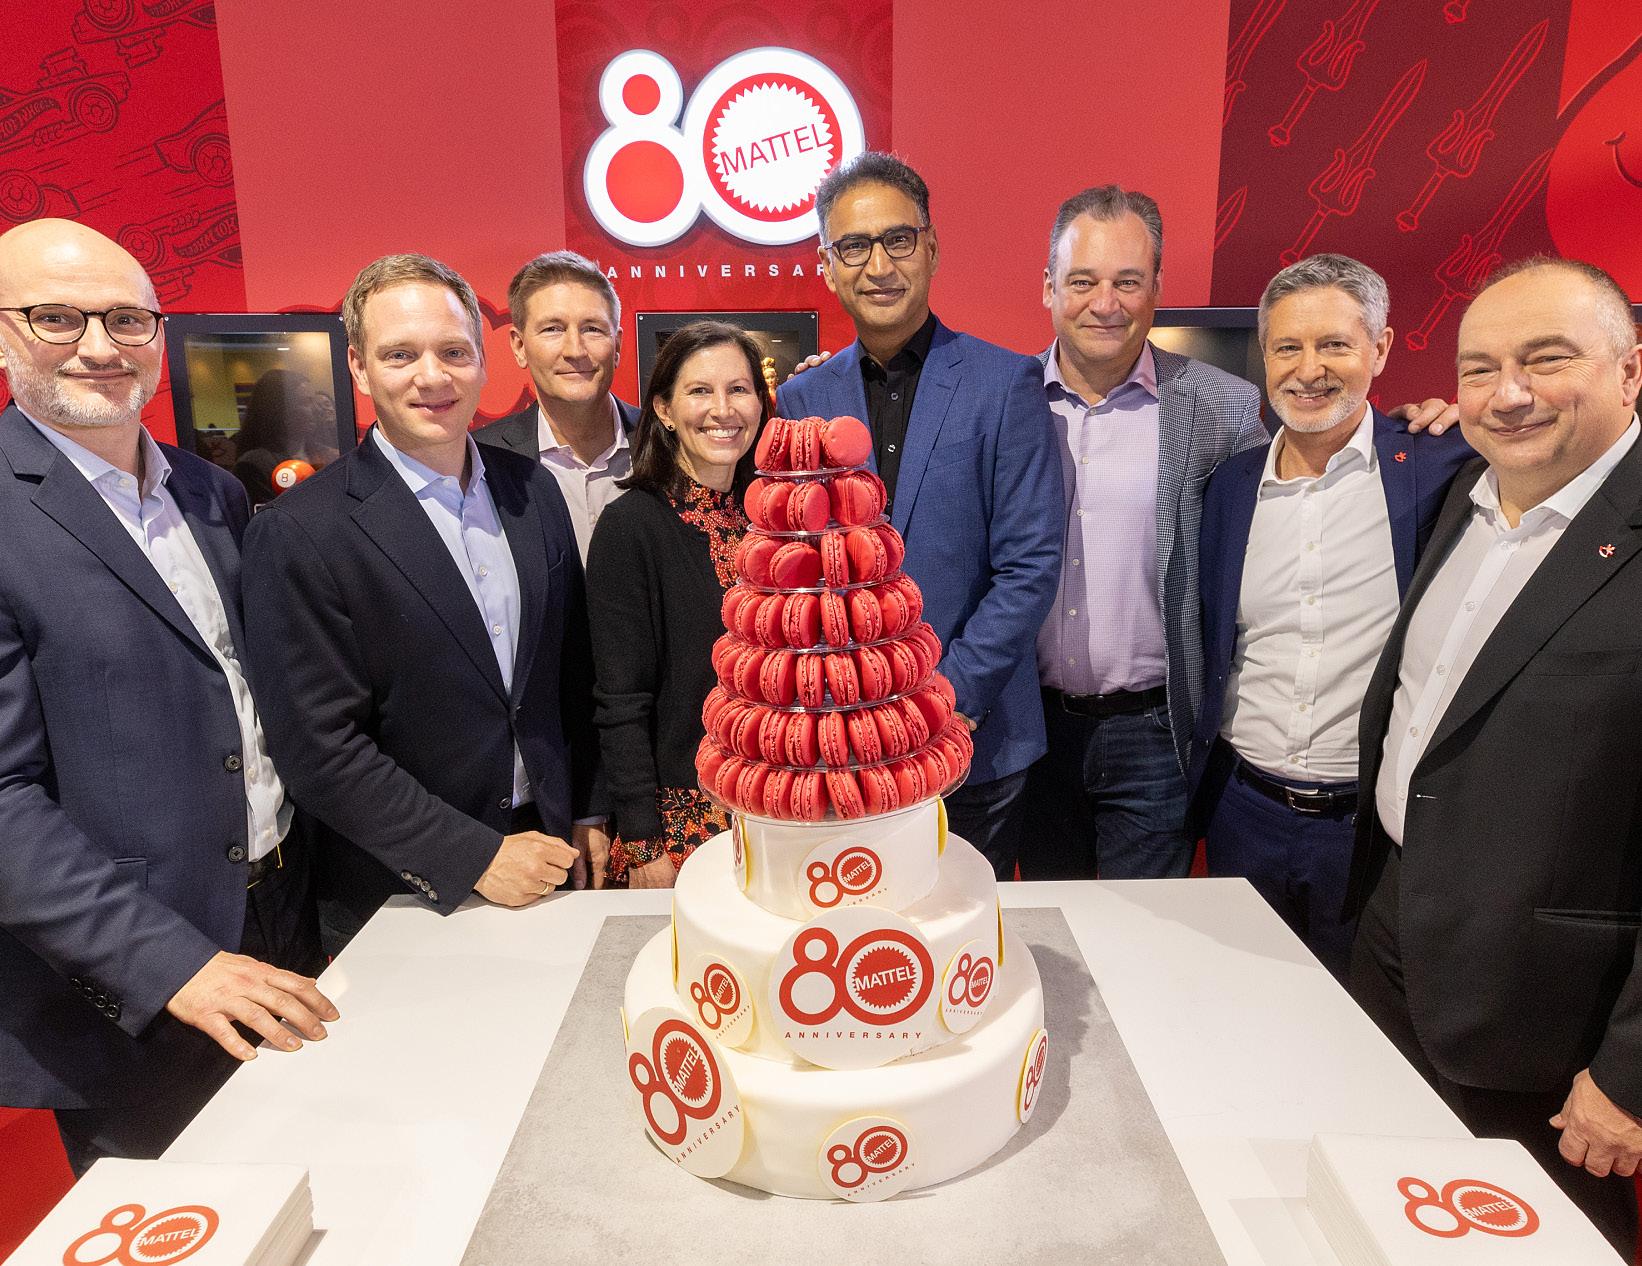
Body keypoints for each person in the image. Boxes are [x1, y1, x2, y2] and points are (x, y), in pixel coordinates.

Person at [0, 219, 334, 1173]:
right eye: (56, 318)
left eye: (126, 319)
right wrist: (170, 964)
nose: (99, 347)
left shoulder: (208, 491)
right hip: (134, 988)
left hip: (284, 918)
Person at [1347, 256, 1642, 1256]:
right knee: (1388, 1204)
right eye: (1479, 368)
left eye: (1545, 359)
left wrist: (1630, 1073)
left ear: (1629, 372)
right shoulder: (1466, 494)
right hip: (1396, 925)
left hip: (1546, 1011)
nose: (1507, 393)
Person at [242, 253, 606, 955]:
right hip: (400, 887)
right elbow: (318, 748)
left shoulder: (533, 490)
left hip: (550, 851)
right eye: (400, 354)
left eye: (453, 352)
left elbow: (570, 671)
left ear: (484, 361)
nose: (432, 376)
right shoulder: (300, 531)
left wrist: (589, 807)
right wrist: (473, 857)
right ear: (358, 367)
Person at [775, 152, 1062, 879]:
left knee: (958, 927)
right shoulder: (803, 400)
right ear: (828, 266)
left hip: (976, 736)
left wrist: (945, 700)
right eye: (854, 247)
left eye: (898, 240)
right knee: (853, 928)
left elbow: (1029, 566)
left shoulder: (1006, 382)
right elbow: (799, 570)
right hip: (843, 749)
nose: (879, 266)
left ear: (931, 247)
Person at [1188, 255, 1471, 977]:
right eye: (1287, 347)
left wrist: (1467, 417)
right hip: (1241, 812)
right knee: (1241, 996)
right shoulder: (1229, 488)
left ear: (1380, 348)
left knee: (1359, 1017)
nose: (1308, 369)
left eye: (1335, 345)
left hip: (1368, 828)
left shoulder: (1444, 465)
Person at [1018, 185, 1265, 881]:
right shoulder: (1001, 399)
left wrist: (1414, 428)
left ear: (1156, 288)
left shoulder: (1221, 407)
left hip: (1155, 735)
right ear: (1049, 287)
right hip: (1030, 729)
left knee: (1144, 929)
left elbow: (1293, 500)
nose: (1106, 303)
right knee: (1048, 921)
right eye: (1083, 281)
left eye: (1128, 281)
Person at [586, 322, 762, 888]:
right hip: (681, 826)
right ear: (663, 409)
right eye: (700, 391)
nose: (723, 410)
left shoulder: (774, 520)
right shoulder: (630, 525)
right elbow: (620, 700)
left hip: (778, 815)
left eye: (739, 389)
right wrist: (643, 843)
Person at [476, 251, 639, 562]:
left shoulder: (670, 446)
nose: (575, 350)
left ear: (617, 345)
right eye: (552, 329)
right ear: (519, 346)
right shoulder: (481, 461)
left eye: (592, 328)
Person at [232, 367, 323, 507]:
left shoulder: (325, 453)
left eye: (314, 401)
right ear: (280, 410)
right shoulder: (254, 465)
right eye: (306, 402)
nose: (316, 409)